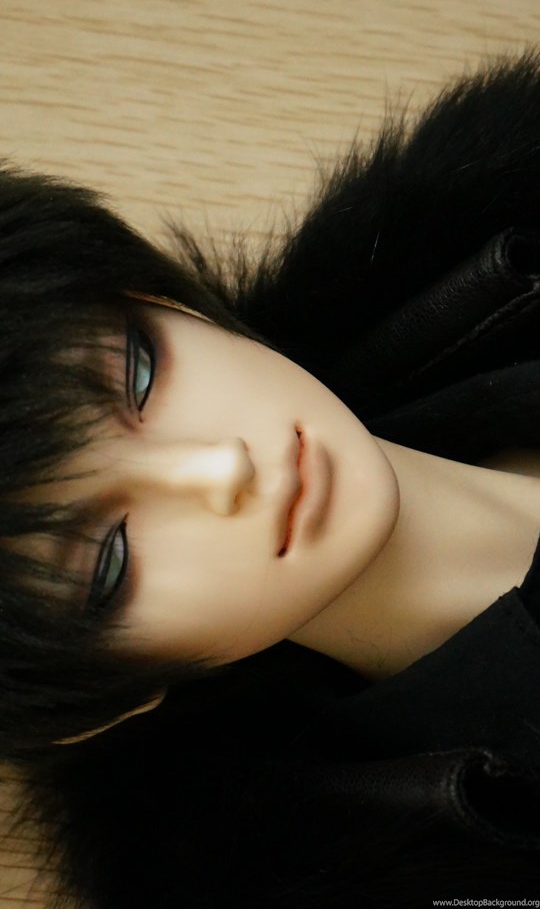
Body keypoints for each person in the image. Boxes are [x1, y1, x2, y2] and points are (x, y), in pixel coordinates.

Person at [4, 49, 540, 908]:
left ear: (161, 298)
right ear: (110, 704)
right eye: (109, 562)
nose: (220, 470)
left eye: (139, 374)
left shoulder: (498, 198)